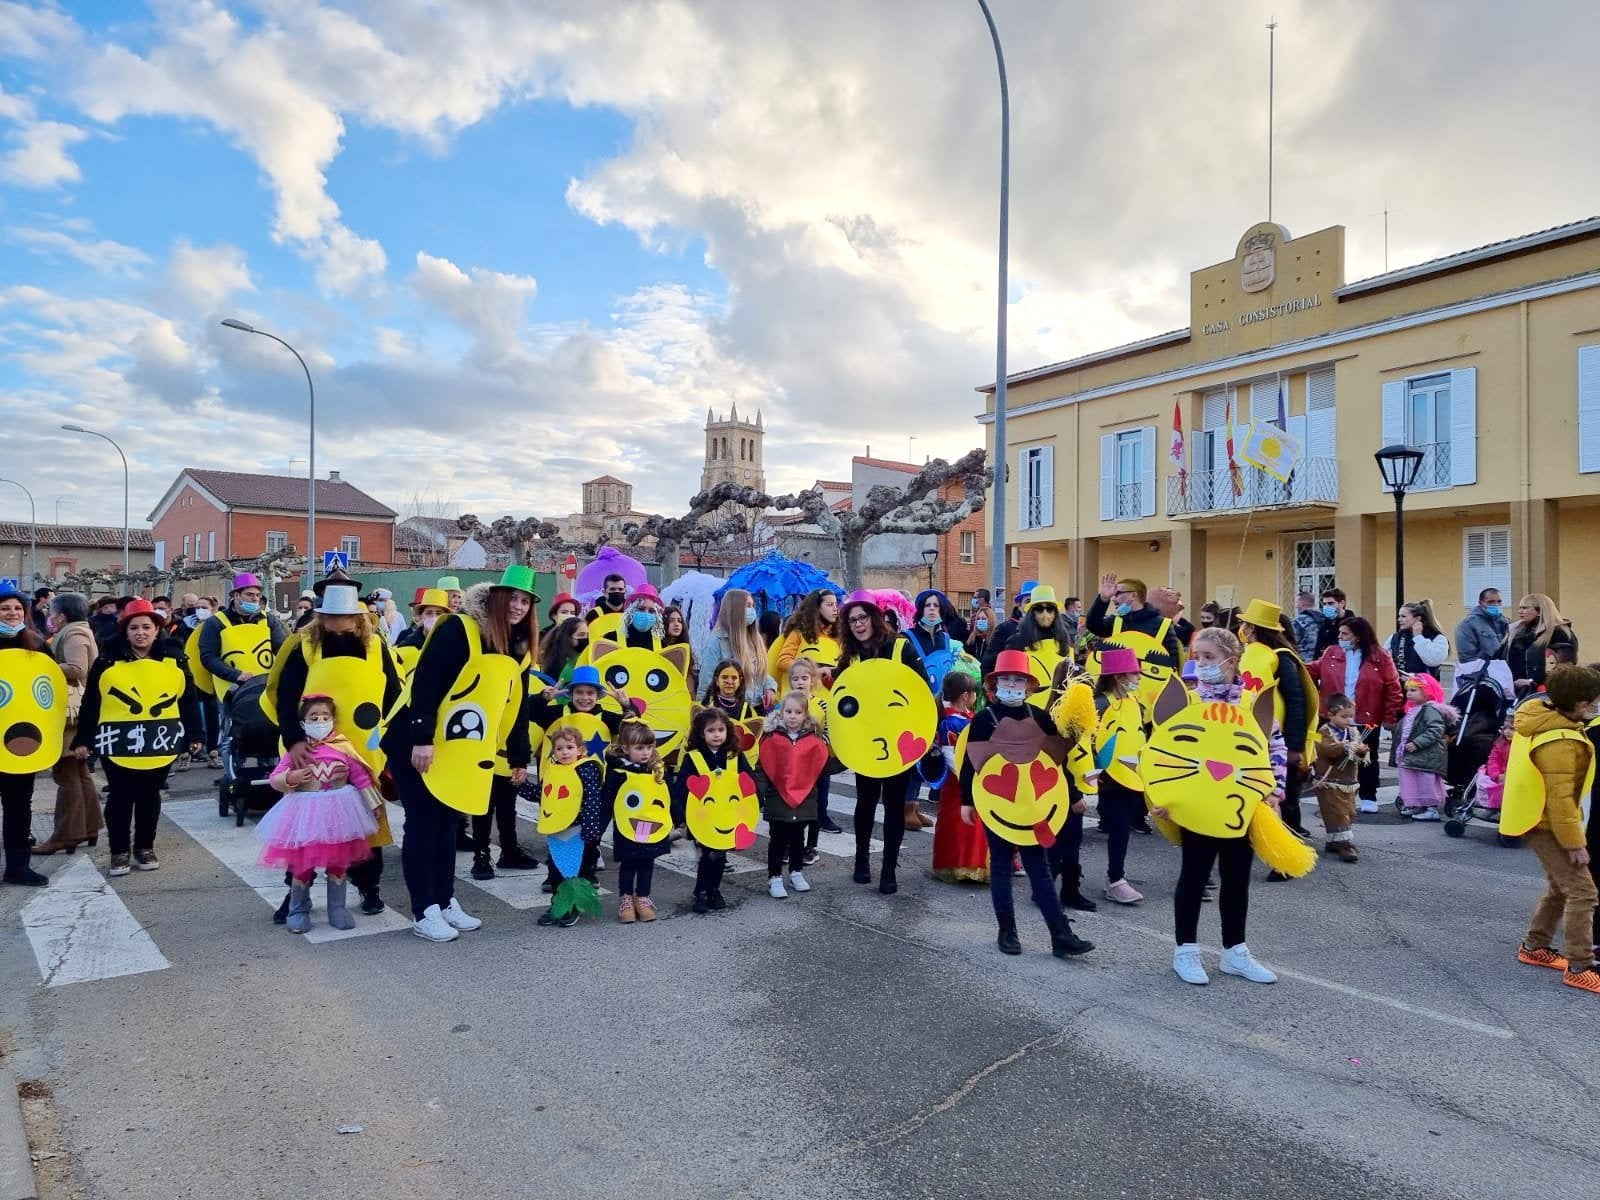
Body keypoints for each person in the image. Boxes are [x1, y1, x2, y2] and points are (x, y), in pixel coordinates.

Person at [382, 564, 536, 943]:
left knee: (449, 823)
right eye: (512, 598)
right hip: (416, 740)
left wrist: (518, 757)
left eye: (525, 601)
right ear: (496, 598)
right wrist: (423, 738)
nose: (518, 607)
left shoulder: (516, 647)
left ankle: (445, 899)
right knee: (424, 822)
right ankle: (424, 911)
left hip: (461, 748)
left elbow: (515, 706)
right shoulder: (458, 628)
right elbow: (427, 684)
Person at [1153, 628, 1292, 986]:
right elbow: (1165, 752)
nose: (1201, 664)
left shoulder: (1250, 704)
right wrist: (1161, 798)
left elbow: (1273, 747)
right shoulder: (1191, 703)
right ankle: (1185, 951)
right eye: (1197, 656)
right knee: (1194, 877)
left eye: (1209, 657)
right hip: (1197, 808)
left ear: (1231, 662)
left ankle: (1235, 952)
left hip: (1239, 807)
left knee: (1236, 879)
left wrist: (1274, 790)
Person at [269, 572, 405, 915]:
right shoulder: (305, 647)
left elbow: (394, 697)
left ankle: (369, 887)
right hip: (313, 751)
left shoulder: (377, 647)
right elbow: (286, 697)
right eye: (331, 615)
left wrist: (392, 746)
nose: (338, 622)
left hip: (363, 751)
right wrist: (295, 740)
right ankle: (296, 892)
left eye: (345, 615)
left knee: (366, 822)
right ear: (322, 616)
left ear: (357, 616)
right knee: (308, 823)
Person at [959, 649, 1093, 959]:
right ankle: (1007, 931)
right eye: (1006, 678)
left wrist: (1072, 796)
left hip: (1033, 806)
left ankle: (1061, 935)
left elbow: (1056, 763)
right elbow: (971, 763)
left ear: (1029, 686)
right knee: (1003, 868)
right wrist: (968, 801)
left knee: (1040, 870)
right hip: (999, 805)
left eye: (1018, 679)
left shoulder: (1040, 717)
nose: (1012, 683)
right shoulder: (983, 720)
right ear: (994, 684)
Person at [73, 598, 203, 876]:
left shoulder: (174, 658)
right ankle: (119, 851)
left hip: (159, 738)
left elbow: (188, 699)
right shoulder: (107, 660)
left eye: (147, 627)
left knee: (149, 795)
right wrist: (84, 738)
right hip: (118, 739)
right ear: (125, 630)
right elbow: (92, 702)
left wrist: (195, 733)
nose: (141, 633)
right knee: (120, 796)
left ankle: (145, 846)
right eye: (134, 628)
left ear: (157, 629)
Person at [1505, 664, 1600, 995]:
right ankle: (1580, 965)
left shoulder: (1546, 719)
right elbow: (1560, 799)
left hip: (1539, 819)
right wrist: (1575, 844)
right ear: (1579, 701)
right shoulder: (1560, 740)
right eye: (1593, 701)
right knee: (1584, 892)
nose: (1595, 706)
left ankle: (1536, 946)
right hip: (1548, 823)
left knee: (1561, 887)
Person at [835, 590, 933, 895]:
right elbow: (842, 701)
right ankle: (861, 861)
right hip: (864, 742)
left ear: (875, 618)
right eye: (852, 620)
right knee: (865, 802)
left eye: (863, 617)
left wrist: (923, 736)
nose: (858, 624)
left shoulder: (901, 649)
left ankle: (889, 869)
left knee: (893, 805)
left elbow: (922, 695)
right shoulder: (849, 657)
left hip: (897, 741)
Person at [259, 695, 381, 933]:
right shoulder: (296, 751)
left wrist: (374, 804)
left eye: (325, 717)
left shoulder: (343, 747)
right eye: (314, 717)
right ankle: (298, 908)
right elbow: (275, 778)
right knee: (303, 864)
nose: (320, 721)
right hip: (305, 814)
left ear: (333, 720)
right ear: (303, 722)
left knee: (339, 863)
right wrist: (290, 778)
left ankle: (337, 908)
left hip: (340, 813)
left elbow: (360, 776)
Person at [1236, 599, 1317, 843]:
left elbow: (1295, 703)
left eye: (1246, 625)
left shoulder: (1282, 658)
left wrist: (1294, 746)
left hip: (1277, 740)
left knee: (1285, 797)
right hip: (1251, 735)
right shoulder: (1249, 653)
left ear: (1254, 628)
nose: (1243, 629)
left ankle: (1289, 848)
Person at [1309, 616, 1403, 813]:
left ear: (1358, 636)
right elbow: (1312, 669)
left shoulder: (1380, 656)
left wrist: (1390, 716)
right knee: (1330, 755)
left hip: (1366, 718)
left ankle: (1368, 796)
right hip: (1333, 716)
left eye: (1345, 634)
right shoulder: (1331, 653)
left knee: (1366, 757)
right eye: (1340, 633)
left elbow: (1393, 688)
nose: (1340, 637)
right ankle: (1333, 793)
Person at [32, 593, 101, 857]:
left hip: (71, 713)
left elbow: (77, 669)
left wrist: (43, 666)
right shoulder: (80, 631)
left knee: (65, 774)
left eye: (52, 611)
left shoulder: (74, 635)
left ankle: (65, 835)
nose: (49, 616)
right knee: (79, 773)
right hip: (77, 712)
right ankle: (89, 827)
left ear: (62, 615)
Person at [1, 586, 59, 886]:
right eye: (4, 608)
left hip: (22, 743)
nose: (11, 613)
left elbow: (51, 683)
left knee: (19, 807)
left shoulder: (36, 644)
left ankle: (17, 866)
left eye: (16, 608)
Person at [671, 709, 752, 914]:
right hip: (702, 819)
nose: (716, 735)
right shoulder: (694, 758)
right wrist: (679, 815)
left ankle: (714, 890)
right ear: (701, 733)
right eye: (711, 730)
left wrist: (753, 804)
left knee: (720, 857)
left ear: (727, 731)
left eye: (720, 730)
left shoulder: (734, 757)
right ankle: (701, 892)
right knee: (706, 857)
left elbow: (748, 782)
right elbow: (681, 788)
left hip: (726, 817)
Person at [1088, 646, 1148, 905]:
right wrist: (1093, 772)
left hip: (1131, 774)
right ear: (1118, 676)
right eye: (1135, 673)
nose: (1139, 678)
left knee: (1122, 829)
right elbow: (1089, 741)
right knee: (1120, 828)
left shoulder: (1133, 703)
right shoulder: (1100, 705)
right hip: (1108, 778)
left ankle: (1116, 877)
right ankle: (1115, 880)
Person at [754, 692, 826, 898]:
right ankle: (774, 876)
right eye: (788, 711)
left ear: (805, 715)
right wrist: (759, 792)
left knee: (797, 839)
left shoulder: (813, 740)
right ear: (781, 712)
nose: (792, 716)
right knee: (777, 839)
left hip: (804, 799)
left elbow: (819, 768)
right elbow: (763, 768)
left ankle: (796, 871)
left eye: (798, 712)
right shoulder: (772, 738)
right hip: (778, 797)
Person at [535, 725, 606, 927]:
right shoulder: (553, 770)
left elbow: (593, 799)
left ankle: (572, 906)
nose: (564, 752)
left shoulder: (586, 769)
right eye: (559, 748)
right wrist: (521, 785)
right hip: (556, 830)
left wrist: (592, 829)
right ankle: (558, 904)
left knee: (574, 871)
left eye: (569, 747)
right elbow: (542, 796)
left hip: (577, 831)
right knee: (556, 870)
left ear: (580, 750)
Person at [603, 719, 670, 924]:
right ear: (625, 748)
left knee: (647, 861)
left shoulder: (655, 770)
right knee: (628, 862)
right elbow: (606, 801)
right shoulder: (618, 773)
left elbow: (667, 796)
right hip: (627, 825)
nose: (646, 752)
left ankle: (642, 898)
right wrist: (597, 827)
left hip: (650, 824)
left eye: (649, 747)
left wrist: (678, 816)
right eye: (640, 748)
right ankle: (625, 898)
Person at [930, 672, 986, 883]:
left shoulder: (959, 718)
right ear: (965, 695)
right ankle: (964, 864)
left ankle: (958, 863)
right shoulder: (952, 722)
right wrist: (969, 776)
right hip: (961, 779)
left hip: (962, 777)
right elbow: (950, 753)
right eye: (973, 693)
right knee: (963, 822)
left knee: (957, 822)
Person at [784, 658, 837, 852]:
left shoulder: (822, 705)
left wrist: (818, 747)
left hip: (819, 763)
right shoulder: (786, 705)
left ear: (813, 681)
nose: (800, 682)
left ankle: (811, 846)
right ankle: (791, 844)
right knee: (795, 805)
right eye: (796, 678)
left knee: (818, 803)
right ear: (790, 681)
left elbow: (828, 730)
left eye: (804, 678)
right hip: (795, 766)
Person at [695, 588, 773, 711]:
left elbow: (760, 671)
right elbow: (706, 681)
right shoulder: (716, 642)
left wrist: (770, 687)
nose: (751, 611)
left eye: (752, 606)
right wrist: (701, 711)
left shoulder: (754, 640)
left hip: (756, 707)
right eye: (747, 606)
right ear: (735, 609)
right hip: (729, 709)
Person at [1311, 695, 1367, 862]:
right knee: (1337, 812)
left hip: (1348, 780)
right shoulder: (1323, 732)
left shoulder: (1353, 732)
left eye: (1350, 716)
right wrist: (1344, 746)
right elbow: (1326, 749)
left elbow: (1358, 754)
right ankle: (1344, 844)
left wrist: (1361, 750)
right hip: (1329, 781)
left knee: (1349, 812)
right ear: (1330, 715)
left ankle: (1334, 841)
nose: (1348, 720)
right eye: (1344, 716)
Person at [1086, 574, 1184, 665]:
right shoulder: (1117, 622)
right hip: (1120, 681)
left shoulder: (1162, 624)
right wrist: (1103, 599)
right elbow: (1092, 624)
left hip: (1150, 681)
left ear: (1133, 595)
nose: (1114, 599)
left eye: (1117, 594)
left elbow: (1173, 663)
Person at [1396, 674, 1455, 821]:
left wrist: (1417, 743)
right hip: (1413, 754)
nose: (1409, 693)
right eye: (1408, 690)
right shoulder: (1415, 709)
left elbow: (1436, 729)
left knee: (1425, 780)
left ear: (1427, 691)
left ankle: (1431, 807)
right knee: (1412, 779)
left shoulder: (1430, 709)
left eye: (1414, 690)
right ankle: (1417, 804)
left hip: (1426, 753)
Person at [1506, 594, 1578, 698]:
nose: (1520, 611)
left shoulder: (1559, 633)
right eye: (1520, 608)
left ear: (1539, 611)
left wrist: (1532, 681)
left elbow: (1564, 666)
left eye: (1525, 608)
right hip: (1518, 691)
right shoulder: (1517, 631)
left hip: (1546, 692)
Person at [1388, 600, 1450, 680]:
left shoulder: (1437, 638)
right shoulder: (1395, 638)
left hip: (1425, 689)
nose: (1399, 619)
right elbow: (1385, 662)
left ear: (1417, 618)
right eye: (1399, 616)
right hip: (1400, 689)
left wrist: (1418, 637)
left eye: (1403, 616)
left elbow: (1433, 661)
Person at [1455, 588, 1510, 671]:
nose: (1496, 605)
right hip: (1482, 675)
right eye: (1491, 602)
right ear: (1481, 603)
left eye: (1499, 601)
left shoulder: (1504, 621)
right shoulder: (1467, 624)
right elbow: (1467, 657)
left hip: (1504, 673)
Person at [539, 616, 590, 688]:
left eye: (587, 635)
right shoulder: (555, 663)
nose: (586, 638)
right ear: (568, 637)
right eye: (581, 635)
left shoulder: (587, 658)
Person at [1312, 587, 1355, 658]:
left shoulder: (1353, 624)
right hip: (1325, 663)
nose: (1326, 607)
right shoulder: (1324, 623)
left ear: (1342, 603)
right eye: (1324, 604)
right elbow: (1318, 648)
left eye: (1330, 603)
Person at [1291, 592, 1320, 661]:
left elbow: (1291, 640)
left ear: (1302, 603)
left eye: (1297, 602)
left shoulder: (1298, 621)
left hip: (1304, 660)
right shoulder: (1323, 618)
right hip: (1320, 661)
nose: (1296, 606)